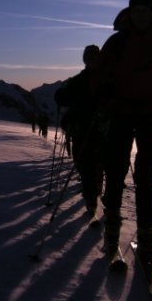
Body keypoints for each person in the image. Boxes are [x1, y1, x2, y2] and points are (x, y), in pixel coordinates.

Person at [93, 0, 152, 262]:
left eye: (144, 10)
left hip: (151, 114)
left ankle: (145, 232)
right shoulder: (118, 42)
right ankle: (112, 222)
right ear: (130, 12)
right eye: (136, 10)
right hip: (121, 111)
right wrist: (103, 95)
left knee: (145, 174)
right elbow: (99, 75)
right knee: (115, 167)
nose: (140, 14)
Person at [54, 45, 104, 215]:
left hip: (97, 129)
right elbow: (64, 98)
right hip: (86, 129)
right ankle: (93, 197)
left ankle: (94, 197)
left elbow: (64, 99)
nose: (92, 61)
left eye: (94, 58)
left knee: (93, 164)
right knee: (88, 165)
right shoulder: (82, 80)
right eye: (90, 59)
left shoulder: (106, 79)